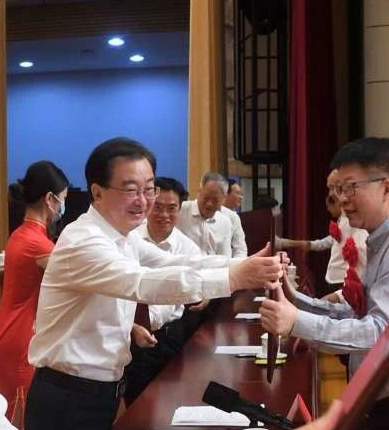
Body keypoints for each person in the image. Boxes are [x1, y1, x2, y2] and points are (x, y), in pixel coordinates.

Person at [24, 137, 283, 430]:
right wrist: (234, 278)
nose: (143, 200)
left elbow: (178, 262)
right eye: (130, 190)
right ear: (97, 192)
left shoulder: (123, 236)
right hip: (68, 396)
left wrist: (243, 264)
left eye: (149, 189)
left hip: (101, 390)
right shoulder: (84, 241)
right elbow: (143, 283)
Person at [260, 137, 389, 430]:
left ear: (386, 188)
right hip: (383, 400)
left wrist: (295, 322)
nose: (342, 199)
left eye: (350, 187)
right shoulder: (383, 239)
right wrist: (294, 298)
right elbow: (357, 313)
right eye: (339, 190)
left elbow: (379, 334)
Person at [124, 176, 205, 407]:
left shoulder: (188, 249)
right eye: (158, 207)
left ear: (180, 210)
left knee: (173, 400)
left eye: (171, 209)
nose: (164, 215)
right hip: (133, 335)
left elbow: (195, 283)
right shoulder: (130, 239)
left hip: (170, 335)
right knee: (137, 405)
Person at [0, 161, 69, 419]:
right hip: (23, 334)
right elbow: (78, 278)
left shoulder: (21, 234)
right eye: (63, 199)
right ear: (50, 199)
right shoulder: (37, 243)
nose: (63, 206)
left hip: (11, 328)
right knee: (21, 413)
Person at [278, 170, 368, 299]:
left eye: (334, 188)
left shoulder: (354, 217)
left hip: (344, 279)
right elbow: (325, 242)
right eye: (330, 188)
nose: (331, 193)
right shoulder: (343, 219)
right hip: (334, 278)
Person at [177, 171, 247, 257]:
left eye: (215, 200)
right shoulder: (180, 211)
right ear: (199, 192)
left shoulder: (225, 222)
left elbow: (226, 257)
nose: (209, 204)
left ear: (223, 199)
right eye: (206, 198)